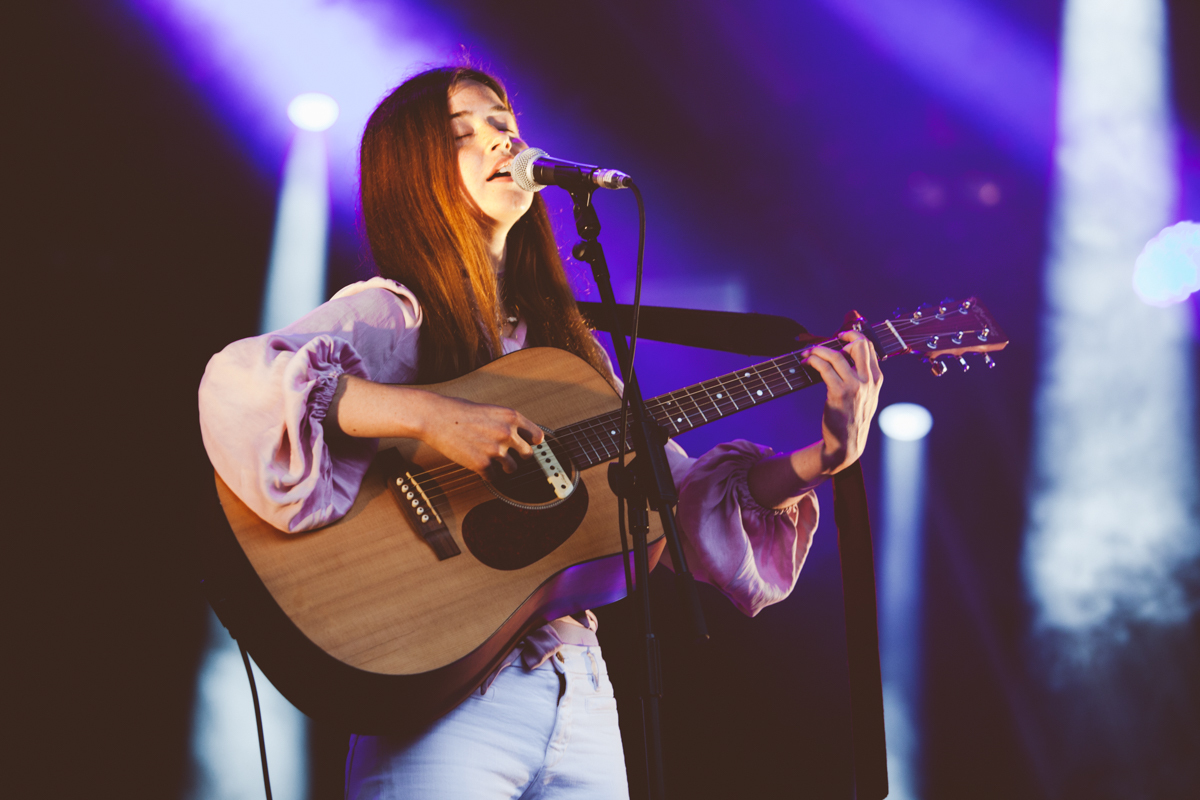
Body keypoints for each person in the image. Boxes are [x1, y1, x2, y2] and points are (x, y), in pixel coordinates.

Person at [198, 66, 883, 800]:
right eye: (464, 134)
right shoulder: (394, 313)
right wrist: (435, 417)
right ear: (414, 178)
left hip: (581, 692)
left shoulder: (568, 356)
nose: (500, 139)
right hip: (445, 707)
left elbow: (676, 504)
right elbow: (243, 386)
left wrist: (826, 457)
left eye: (504, 122)